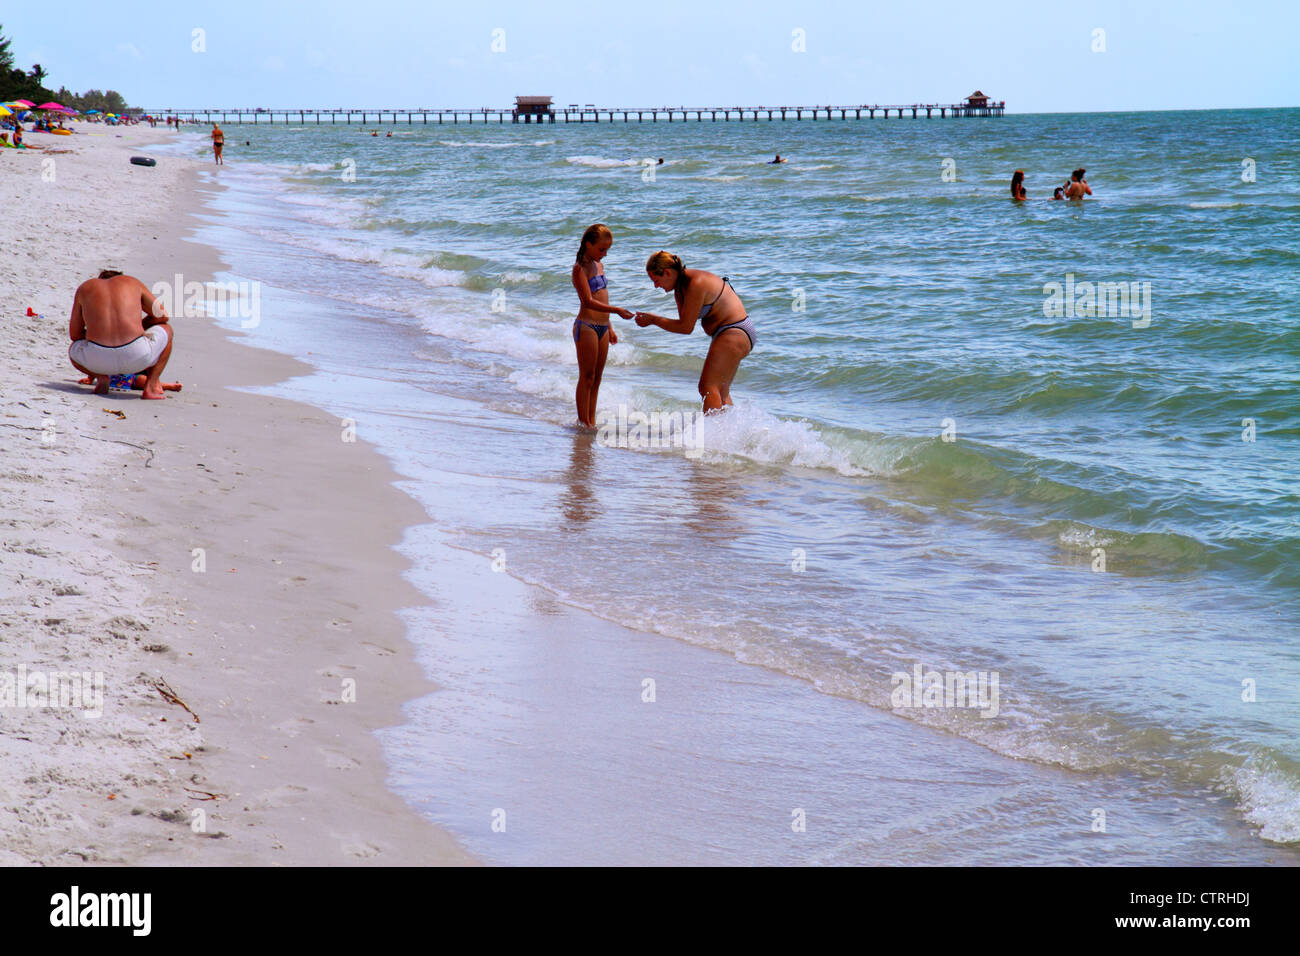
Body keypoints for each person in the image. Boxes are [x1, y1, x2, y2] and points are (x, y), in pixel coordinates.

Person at [634, 252, 755, 414]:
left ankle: (713, 436)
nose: (656, 286)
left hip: (734, 331)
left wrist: (653, 320)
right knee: (720, 391)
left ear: (668, 273)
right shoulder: (679, 289)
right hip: (730, 333)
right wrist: (652, 320)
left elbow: (686, 327)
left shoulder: (695, 283)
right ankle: (730, 434)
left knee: (707, 387)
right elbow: (682, 325)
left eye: (656, 280)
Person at [67, 271, 174, 400]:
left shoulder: (85, 288)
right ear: (120, 278)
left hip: (97, 361)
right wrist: (139, 327)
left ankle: (101, 377)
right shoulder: (132, 282)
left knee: (74, 348)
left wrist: (98, 333)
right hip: (136, 357)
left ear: (99, 280)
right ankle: (151, 387)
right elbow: (162, 316)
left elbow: (75, 334)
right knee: (167, 328)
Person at [571, 224, 633, 428]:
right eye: (601, 249)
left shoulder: (599, 265)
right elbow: (587, 301)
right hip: (587, 326)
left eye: (607, 250)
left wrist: (611, 325)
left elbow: (603, 299)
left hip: (603, 327)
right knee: (586, 377)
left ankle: (591, 421)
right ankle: (583, 423)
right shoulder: (579, 268)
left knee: (597, 378)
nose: (604, 254)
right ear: (588, 245)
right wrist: (617, 310)